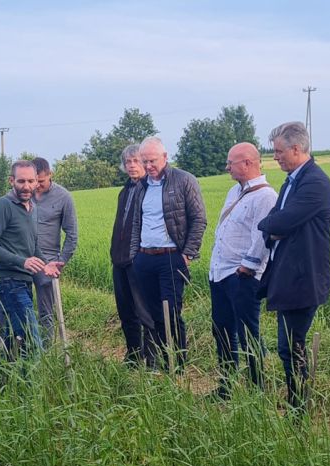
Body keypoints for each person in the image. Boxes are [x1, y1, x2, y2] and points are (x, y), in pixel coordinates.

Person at [259, 121, 330, 411]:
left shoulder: (315, 181)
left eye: (278, 151)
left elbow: (281, 221)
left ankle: (299, 408)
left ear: (296, 149)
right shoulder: (292, 180)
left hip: (304, 278)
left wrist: (272, 226)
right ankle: (295, 401)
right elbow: (273, 222)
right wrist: (271, 227)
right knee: (287, 346)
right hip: (287, 276)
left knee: (292, 346)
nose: (275, 156)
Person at [128, 136, 207, 369]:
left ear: (165, 157)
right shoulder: (140, 187)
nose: (148, 166)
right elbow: (135, 223)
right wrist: (135, 256)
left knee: (171, 312)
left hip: (171, 257)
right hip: (144, 258)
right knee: (152, 314)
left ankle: (178, 364)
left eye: (152, 161)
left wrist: (188, 254)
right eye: (144, 161)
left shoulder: (184, 180)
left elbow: (199, 219)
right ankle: (162, 361)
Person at [208, 142, 278, 399]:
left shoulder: (266, 196)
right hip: (220, 273)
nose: (227, 167)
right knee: (222, 330)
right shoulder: (233, 192)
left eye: (231, 163)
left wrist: (246, 268)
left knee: (248, 334)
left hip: (241, 277)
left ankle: (257, 390)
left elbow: (261, 237)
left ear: (247, 163)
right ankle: (226, 385)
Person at [0, 161, 47, 380]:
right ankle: (31, 394)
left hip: (24, 283)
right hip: (8, 283)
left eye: (30, 181)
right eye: (21, 181)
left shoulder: (32, 208)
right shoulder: (3, 206)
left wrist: (46, 265)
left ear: (37, 181)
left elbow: (32, 246)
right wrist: (22, 262)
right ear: (12, 181)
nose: (26, 186)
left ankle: (4, 389)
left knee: (10, 342)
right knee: (32, 341)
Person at [111, 143, 156, 366]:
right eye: (128, 162)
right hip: (119, 259)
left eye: (136, 161)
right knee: (126, 311)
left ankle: (150, 359)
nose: (131, 166)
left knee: (145, 312)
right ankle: (133, 355)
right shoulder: (125, 190)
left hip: (138, 258)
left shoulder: (150, 189)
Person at [29, 157, 78, 341]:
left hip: (48, 261)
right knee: (20, 304)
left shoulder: (64, 197)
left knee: (46, 311)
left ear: (50, 175)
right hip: (23, 259)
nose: (37, 186)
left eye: (41, 181)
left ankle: (46, 348)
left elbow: (72, 234)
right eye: (35, 181)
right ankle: (21, 344)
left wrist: (61, 261)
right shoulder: (24, 194)